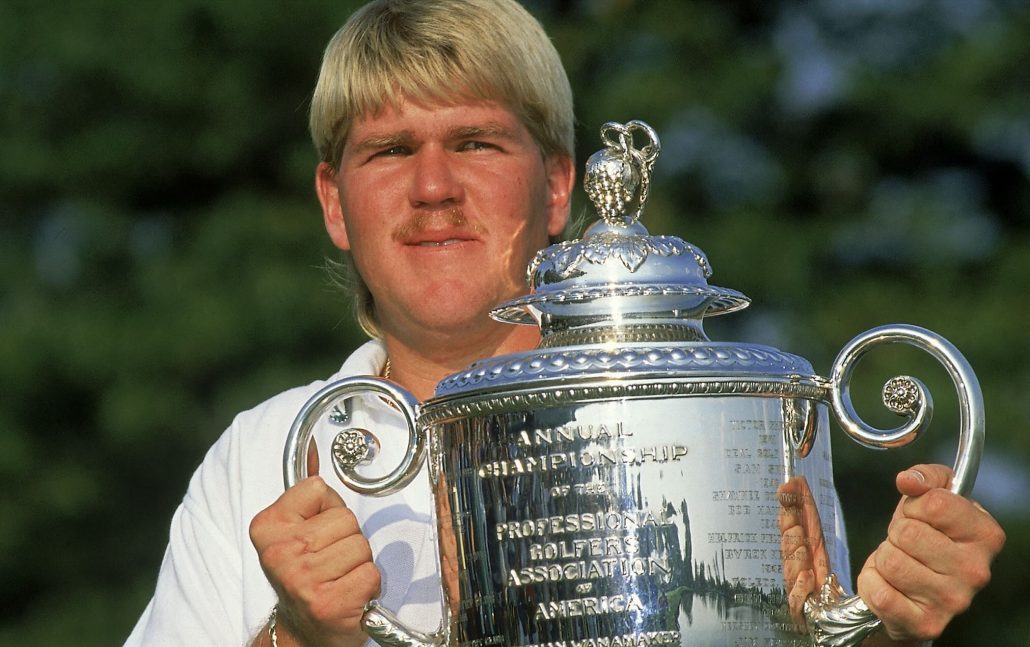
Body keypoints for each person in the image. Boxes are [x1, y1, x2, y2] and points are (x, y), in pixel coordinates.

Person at [125, 1, 1005, 646]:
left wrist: (894, 626)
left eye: (475, 142)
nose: (433, 188)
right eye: (390, 151)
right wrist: (295, 638)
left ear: (557, 185)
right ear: (333, 202)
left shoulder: (735, 411)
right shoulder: (260, 456)